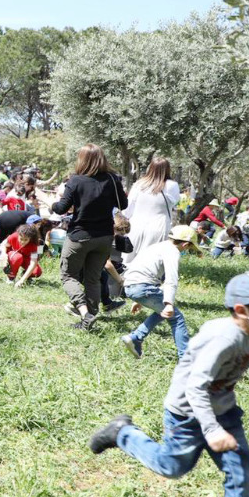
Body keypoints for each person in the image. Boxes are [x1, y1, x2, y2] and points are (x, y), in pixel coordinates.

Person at [90, 274, 249, 497]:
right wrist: (211, 430)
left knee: (241, 471)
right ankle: (122, 433)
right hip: (187, 412)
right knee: (172, 466)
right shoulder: (224, 338)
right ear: (241, 310)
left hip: (224, 412)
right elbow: (195, 387)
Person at [51, 144, 128, 332]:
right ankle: (90, 319)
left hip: (80, 236)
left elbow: (61, 209)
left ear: (82, 159)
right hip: (104, 237)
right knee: (92, 279)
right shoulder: (112, 179)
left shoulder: (75, 181)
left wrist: (52, 203)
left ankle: (85, 314)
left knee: (68, 275)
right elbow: (123, 204)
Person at [119, 225, 199, 359]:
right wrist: (168, 302)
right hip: (143, 287)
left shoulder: (157, 246)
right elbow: (171, 279)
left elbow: (142, 270)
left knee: (162, 312)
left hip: (130, 285)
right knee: (177, 319)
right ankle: (186, 360)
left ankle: (137, 337)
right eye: (189, 247)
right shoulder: (173, 251)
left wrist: (137, 299)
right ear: (185, 244)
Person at [122, 157, 180, 264]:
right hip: (158, 227)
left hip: (136, 226)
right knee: (150, 262)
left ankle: (124, 280)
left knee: (128, 261)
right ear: (168, 169)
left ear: (151, 168)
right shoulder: (172, 185)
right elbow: (174, 202)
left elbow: (128, 207)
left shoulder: (139, 184)